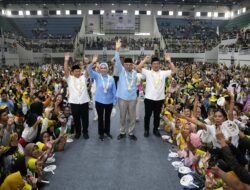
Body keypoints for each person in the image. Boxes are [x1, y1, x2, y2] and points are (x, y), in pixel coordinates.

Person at [137, 54, 176, 137]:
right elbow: (138, 68)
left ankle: (155, 129)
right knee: (147, 116)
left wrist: (169, 61)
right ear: (151, 65)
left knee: (157, 116)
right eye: (154, 64)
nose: (156, 65)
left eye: (157, 64)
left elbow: (174, 71)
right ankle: (146, 130)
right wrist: (144, 60)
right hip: (148, 98)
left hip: (159, 99)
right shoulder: (147, 72)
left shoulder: (163, 73)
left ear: (159, 65)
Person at [88, 55, 116, 141]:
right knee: (100, 118)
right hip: (99, 101)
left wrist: (114, 101)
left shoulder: (111, 78)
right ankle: (101, 133)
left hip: (109, 102)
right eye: (102, 68)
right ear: (100, 69)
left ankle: (107, 132)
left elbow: (114, 90)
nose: (103, 70)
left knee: (107, 118)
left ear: (107, 69)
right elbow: (89, 70)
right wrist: (92, 62)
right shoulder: (97, 76)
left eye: (105, 68)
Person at [115, 39, 138, 141]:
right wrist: (117, 50)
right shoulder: (121, 71)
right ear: (124, 65)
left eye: (130, 64)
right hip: (122, 98)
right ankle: (122, 131)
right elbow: (117, 60)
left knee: (132, 117)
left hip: (132, 98)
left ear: (132, 65)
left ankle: (131, 132)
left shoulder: (135, 73)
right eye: (126, 64)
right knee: (122, 116)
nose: (128, 66)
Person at [63, 53, 90, 139]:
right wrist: (66, 61)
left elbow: (87, 71)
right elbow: (65, 70)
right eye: (76, 71)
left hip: (84, 101)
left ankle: (85, 131)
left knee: (85, 118)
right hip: (74, 102)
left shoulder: (83, 78)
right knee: (76, 118)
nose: (78, 72)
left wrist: (87, 63)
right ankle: (78, 132)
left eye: (79, 71)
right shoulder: (69, 78)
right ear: (72, 72)